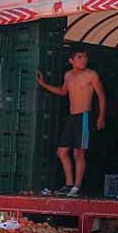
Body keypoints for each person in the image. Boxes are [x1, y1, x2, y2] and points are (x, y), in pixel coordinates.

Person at [37, 48, 106, 197]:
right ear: (71, 60)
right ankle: (68, 184)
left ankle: (76, 186)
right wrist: (43, 84)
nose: (83, 60)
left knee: (78, 153)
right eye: (80, 57)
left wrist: (101, 116)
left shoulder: (91, 75)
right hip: (72, 117)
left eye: (85, 57)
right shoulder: (68, 75)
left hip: (85, 117)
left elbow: (101, 95)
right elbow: (63, 92)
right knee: (61, 152)